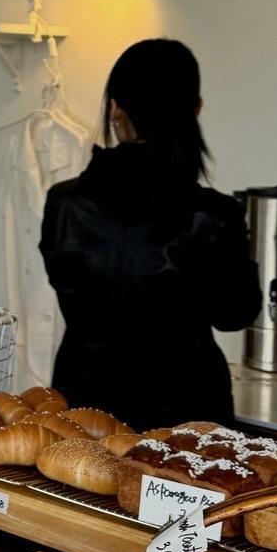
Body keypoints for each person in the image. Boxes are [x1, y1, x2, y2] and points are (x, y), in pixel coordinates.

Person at [39, 38, 262, 430]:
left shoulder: (63, 203)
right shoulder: (214, 214)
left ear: (114, 108)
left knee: (82, 474)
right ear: (195, 109)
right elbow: (234, 315)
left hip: (84, 409)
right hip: (185, 418)